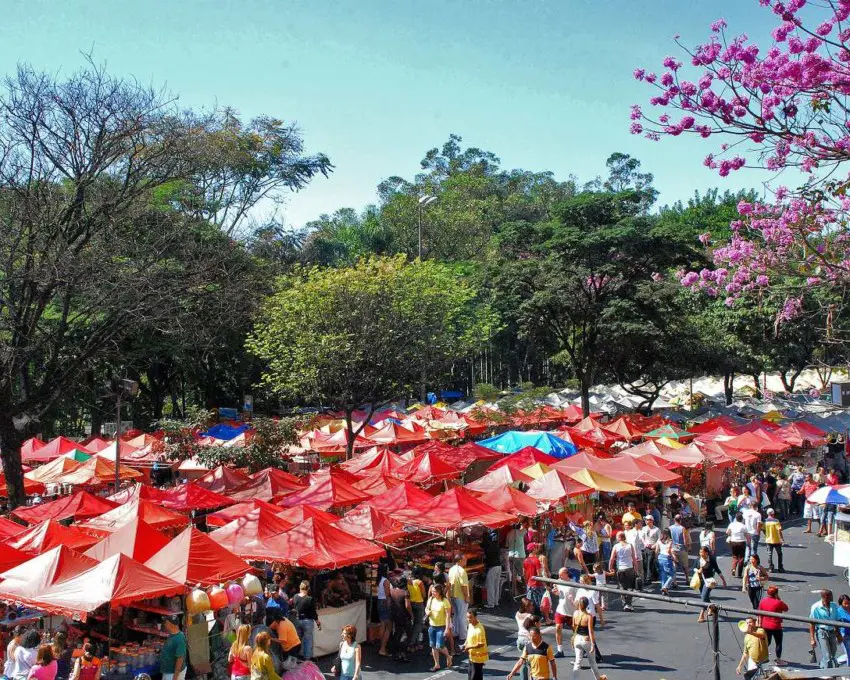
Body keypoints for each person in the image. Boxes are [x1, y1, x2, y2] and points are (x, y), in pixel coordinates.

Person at [569, 598, 607, 680]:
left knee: (577, 661)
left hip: (577, 639)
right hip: (586, 640)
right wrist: (593, 644)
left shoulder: (575, 613)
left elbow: (573, 626)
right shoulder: (589, 616)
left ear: (579, 604)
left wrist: (574, 637)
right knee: (592, 662)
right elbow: (590, 631)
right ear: (587, 606)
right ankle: (598, 678)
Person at [810, 589, 843, 669]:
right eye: (831, 595)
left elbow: (836, 620)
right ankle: (829, 672)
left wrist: (838, 635)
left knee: (833, 653)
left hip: (832, 632)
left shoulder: (834, 606)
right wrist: (812, 638)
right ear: (825, 596)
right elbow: (812, 623)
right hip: (822, 632)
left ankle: (822, 665)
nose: (832, 597)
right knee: (827, 656)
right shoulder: (816, 607)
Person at [425, 583, 453, 671]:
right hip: (432, 626)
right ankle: (437, 664)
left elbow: (448, 616)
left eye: (434, 592)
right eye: (432, 591)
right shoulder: (431, 599)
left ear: (439, 592)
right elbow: (426, 608)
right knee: (433, 646)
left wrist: (447, 628)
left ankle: (448, 656)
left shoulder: (445, 601)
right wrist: (427, 612)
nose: (432, 593)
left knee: (440, 646)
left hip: (441, 626)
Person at [758, 586, 788, 666]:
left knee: (766, 642)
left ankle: (761, 657)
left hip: (765, 625)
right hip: (776, 626)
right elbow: (786, 608)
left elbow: (760, 613)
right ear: (776, 594)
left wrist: (760, 624)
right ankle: (778, 660)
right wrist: (778, 599)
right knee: (778, 643)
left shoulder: (763, 601)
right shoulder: (778, 602)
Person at [695, 546, 726, 623]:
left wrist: (723, 580)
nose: (701, 554)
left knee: (703, 597)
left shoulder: (711, 560)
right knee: (705, 597)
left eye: (702, 552)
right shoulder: (698, 559)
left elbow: (717, 569)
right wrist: (698, 570)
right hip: (700, 580)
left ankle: (701, 615)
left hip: (709, 581)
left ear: (707, 553)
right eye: (700, 552)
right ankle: (712, 608)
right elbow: (694, 568)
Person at [609, 531, 638, 611]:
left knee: (622, 586)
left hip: (621, 568)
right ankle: (629, 603)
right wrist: (636, 569)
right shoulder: (630, 545)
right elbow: (634, 559)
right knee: (630, 587)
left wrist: (610, 567)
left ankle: (625, 604)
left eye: (617, 537)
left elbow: (612, 558)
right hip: (629, 567)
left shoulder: (616, 546)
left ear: (620, 537)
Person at [293, 581, 321, 662]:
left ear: (300, 588)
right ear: (308, 588)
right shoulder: (310, 599)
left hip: (298, 620)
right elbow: (313, 612)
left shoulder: (295, 597)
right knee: (308, 640)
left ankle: (296, 656)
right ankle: (307, 659)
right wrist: (317, 621)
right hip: (307, 621)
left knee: (298, 639)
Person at [553, 568, 576, 659]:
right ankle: (560, 650)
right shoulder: (558, 582)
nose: (559, 576)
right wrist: (556, 592)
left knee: (576, 632)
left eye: (561, 574)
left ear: (566, 574)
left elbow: (578, 598)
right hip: (560, 610)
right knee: (558, 628)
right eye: (559, 574)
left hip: (571, 612)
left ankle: (579, 649)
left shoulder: (574, 584)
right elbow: (557, 593)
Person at [388, 574, 412, 662]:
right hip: (404, 615)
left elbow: (389, 602)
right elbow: (408, 606)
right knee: (407, 634)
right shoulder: (405, 592)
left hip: (394, 615)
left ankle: (396, 652)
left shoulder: (392, 591)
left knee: (397, 633)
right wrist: (411, 615)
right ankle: (402, 653)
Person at [448, 554, 470, 647]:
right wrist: (466, 596)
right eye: (464, 559)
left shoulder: (451, 569)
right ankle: (463, 635)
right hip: (460, 596)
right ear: (460, 560)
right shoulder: (462, 571)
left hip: (453, 595)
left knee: (456, 615)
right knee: (462, 616)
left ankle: (455, 632)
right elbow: (463, 586)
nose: (466, 561)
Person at [462, 610, 488, 680]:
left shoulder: (480, 629)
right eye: (467, 617)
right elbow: (468, 637)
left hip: (478, 658)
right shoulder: (470, 625)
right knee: (470, 675)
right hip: (472, 656)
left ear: (475, 617)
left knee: (474, 676)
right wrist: (465, 644)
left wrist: (469, 647)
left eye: (470, 617)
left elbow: (481, 643)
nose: (469, 620)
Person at [160, 616, 187, 680]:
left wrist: (175, 678)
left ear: (171, 624)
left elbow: (180, 659)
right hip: (168, 672)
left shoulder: (179, 639)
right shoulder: (171, 634)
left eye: (166, 622)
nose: (164, 624)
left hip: (172, 674)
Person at [515, 599, 534, 680]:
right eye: (531, 605)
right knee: (532, 663)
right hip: (528, 640)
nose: (532, 607)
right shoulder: (529, 616)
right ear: (526, 607)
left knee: (523, 662)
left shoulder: (517, 614)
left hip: (520, 639)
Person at [524, 545, 546, 617]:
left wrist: (527, 583)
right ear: (533, 550)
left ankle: (530, 616)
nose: (537, 549)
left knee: (529, 602)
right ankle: (538, 618)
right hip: (537, 585)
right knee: (538, 603)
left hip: (529, 584)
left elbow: (524, 574)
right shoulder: (536, 560)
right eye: (536, 548)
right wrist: (544, 584)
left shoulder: (525, 560)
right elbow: (539, 574)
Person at [408, 567, 427, 652]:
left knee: (414, 624)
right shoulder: (419, 582)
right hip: (419, 603)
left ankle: (415, 643)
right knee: (418, 624)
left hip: (411, 603)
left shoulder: (408, 581)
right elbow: (423, 595)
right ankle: (412, 643)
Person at [483, 530, 502, 609]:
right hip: (499, 567)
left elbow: (486, 556)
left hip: (493, 567)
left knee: (490, 586)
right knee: (496, 585)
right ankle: (495, 601)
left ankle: (491, 603)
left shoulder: (488, 546)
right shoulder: (496, 545)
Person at [655, 527, 678, 595]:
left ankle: (663, 589)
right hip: (667, 558)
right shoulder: (670, 541)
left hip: (660, 557)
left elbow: (656, 550)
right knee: (672, 574)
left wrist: (656, 558)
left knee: (663, 574)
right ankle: (665, 586)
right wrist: (673, 558)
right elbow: (669, 551)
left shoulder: (659, 540)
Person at [726, 512, 749, 579]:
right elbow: (746, 535)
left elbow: (727, 532)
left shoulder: (732, 524)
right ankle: (739, 573)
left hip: (733, 542)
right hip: (741, 542)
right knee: (741, 557)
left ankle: (733, 568)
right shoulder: (743, 526)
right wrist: (749, 543)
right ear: (742, 519)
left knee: (734, 556)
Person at [507, 523, 528, 596]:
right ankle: (527, 590)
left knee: (514, 575)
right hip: (519, 556)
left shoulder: (509, 534)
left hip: (511, 556)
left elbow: (507, 545)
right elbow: (526, 526)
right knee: (523, 574)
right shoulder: (521, 532)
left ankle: (515, 591)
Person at [376, 565, 392, 657]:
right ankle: (383, 648)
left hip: (379, 602)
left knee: (382, 624)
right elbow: (387, 595)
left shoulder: (379, 580)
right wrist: (389, 606)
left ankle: (381, 645)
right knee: (389, 627)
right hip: (384, 602)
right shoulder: (385, 581)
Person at [762, 508, 785, 573]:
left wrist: (766, 534)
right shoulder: (776, 521)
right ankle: (780, 567)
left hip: (768, 540)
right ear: (773, 514)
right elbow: (779, 530)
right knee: (779, 554)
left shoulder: (765, 521)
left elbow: (763, 529)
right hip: (776, 540)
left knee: (770, 554)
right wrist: (782, 539)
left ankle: (770, 568)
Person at [640, 515, 660, 583]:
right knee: (646, 563)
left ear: (651, 520)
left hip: (652, 548)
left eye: (647, 520)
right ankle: (655, 575)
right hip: (646, 547)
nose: (646, 521)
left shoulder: (656, 529)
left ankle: (648, 579)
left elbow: (659, 539)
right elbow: (642, 537)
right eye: (645, 520)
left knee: (649, 562)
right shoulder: (644, 528)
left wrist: (654, 545)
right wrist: (645, 543)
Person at [669, 515, 690, 582]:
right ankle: (687, 579)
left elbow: (669, 539)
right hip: (681, 548)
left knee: (674, 565)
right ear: (680, 520)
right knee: (685, 565)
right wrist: (687, 548)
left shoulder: (670, 528)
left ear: (674, 520)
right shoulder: (682, 528)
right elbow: (685, 539)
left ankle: (674, 580)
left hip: (673, 548)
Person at [836, 594, 850, 670]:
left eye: (848, 603)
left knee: (848, 654)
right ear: (841, 603)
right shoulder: (838, 612)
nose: (847, 605)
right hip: (845, 636)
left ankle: (837, 661)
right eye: (845, 603)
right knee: (849, 654)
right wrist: (838, 636)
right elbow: (836, 625)